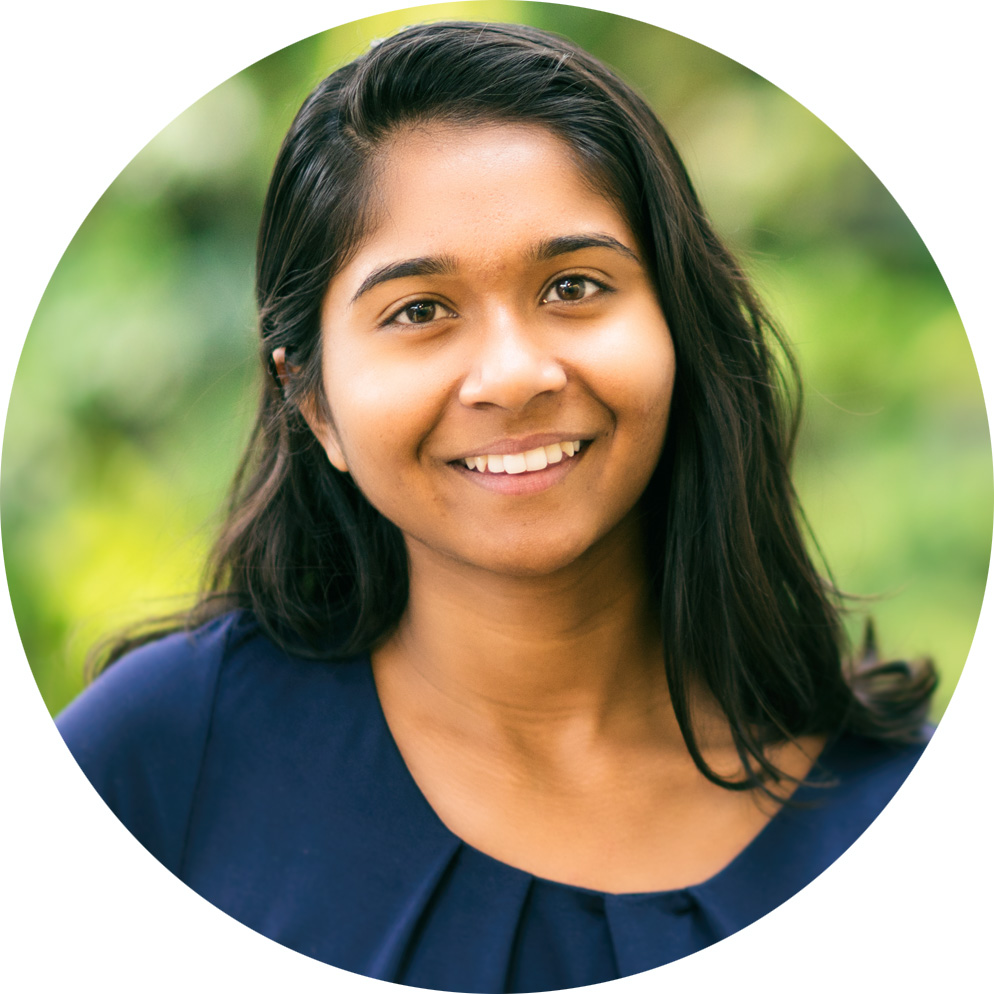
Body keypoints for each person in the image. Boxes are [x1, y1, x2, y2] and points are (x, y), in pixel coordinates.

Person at [56, 21, 936, 992]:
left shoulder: (908, 813)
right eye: (419, 310)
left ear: (677, 327)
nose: (513, 376)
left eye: (573, 285)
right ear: (315, 404)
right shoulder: (167, 765)